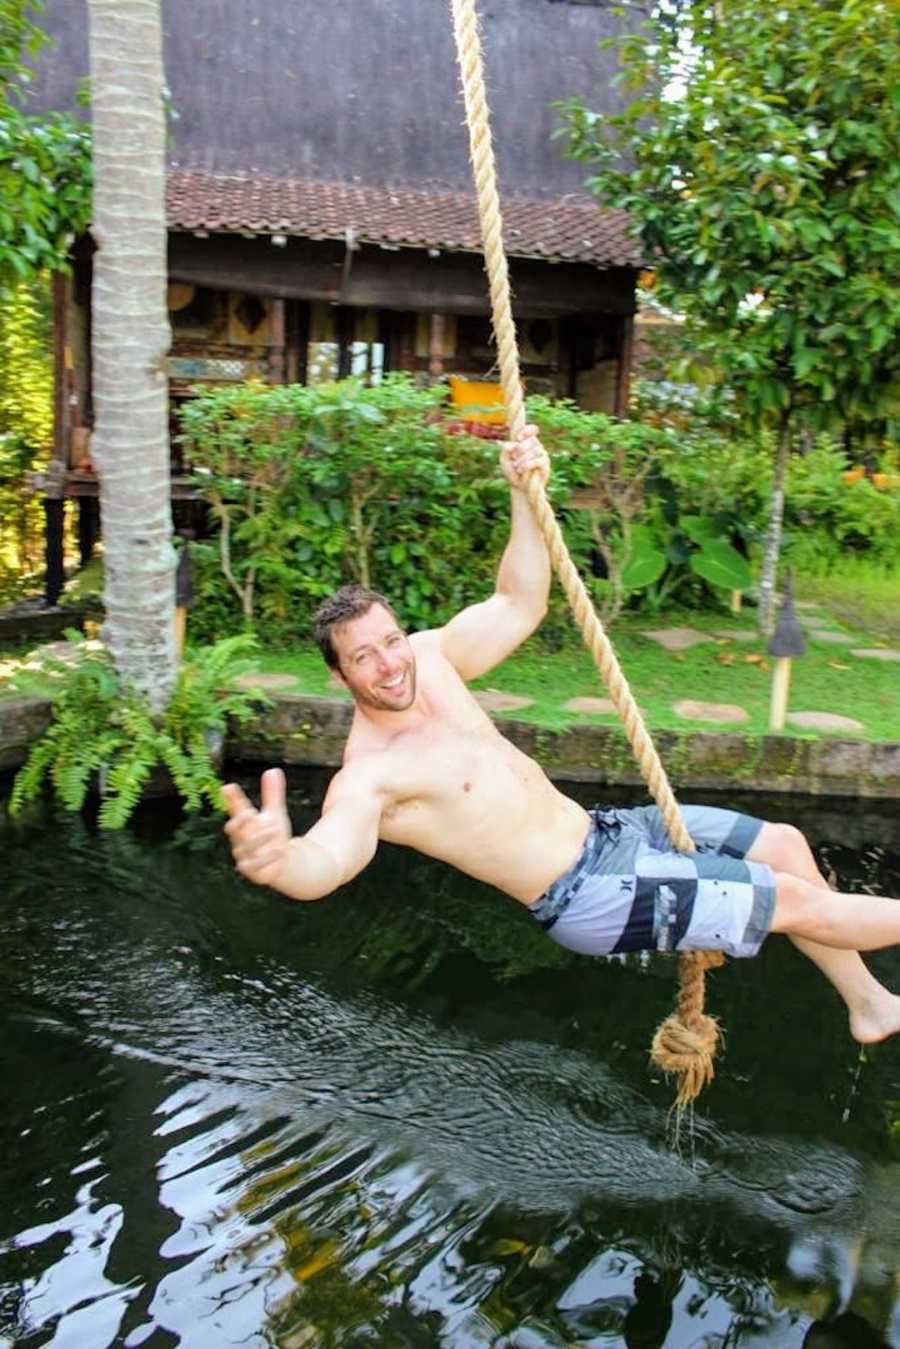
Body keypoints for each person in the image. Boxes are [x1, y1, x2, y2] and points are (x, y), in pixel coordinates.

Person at [222, 426, 900, 1045]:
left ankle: (868, 1002)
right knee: (798, 902)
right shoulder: (370, 775)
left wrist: (522, 491)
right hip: (586, 893)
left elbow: (519, 601)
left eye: (390, 640)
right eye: (364, 656)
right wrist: (285, 864)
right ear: (340, 676)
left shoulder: (432, 660)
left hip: (608, 830)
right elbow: (331, 857)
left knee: (785, 843)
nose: (389, 662)